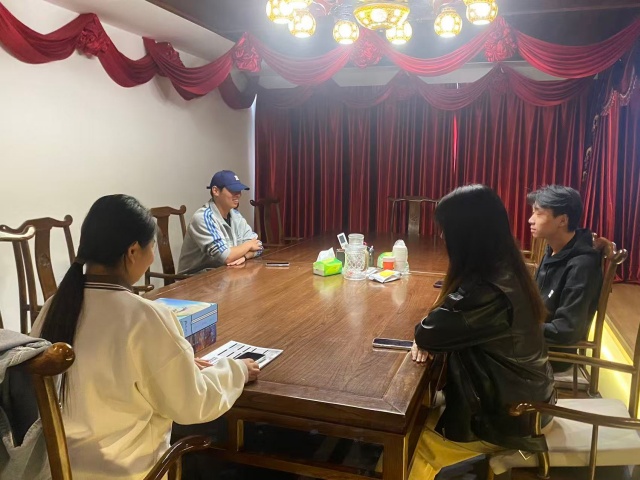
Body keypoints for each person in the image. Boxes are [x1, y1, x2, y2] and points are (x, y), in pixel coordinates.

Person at [31, 194, 260, 480]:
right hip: (125, 473)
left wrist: (180, 365)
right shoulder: (145, 317)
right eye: (151, 247)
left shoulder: (54, 308)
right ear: (132, 251)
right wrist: (237, 370)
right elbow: (193, 403)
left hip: (55, 469)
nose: (152, 256)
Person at [409, 185, 555, 480]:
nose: (442, 237)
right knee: (414, 415)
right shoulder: (505, 268)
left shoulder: (489, 292)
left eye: (446, 230)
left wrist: (428, 334)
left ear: (467, 235)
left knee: (405, 450)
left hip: (508, 417)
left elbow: (428, 333)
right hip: (523, 398)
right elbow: (439, 327)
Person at [527, 185, 602, 348]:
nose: (531, 220)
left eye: (538, 213)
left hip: (549, 349)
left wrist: (517, 327)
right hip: (537, 330)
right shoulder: (555, 249)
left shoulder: (582, 265)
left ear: (562, 220)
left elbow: (566, 329)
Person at [178, 170, 263, 274]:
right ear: (216, 191)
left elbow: (259, 246)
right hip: (194, 279)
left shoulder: (235, 215)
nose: (238, 195)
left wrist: (245, 256)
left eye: (239, 191)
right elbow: (226, 257)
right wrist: (248, 245)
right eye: (233, 190)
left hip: (224, 273)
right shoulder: (203, 218)